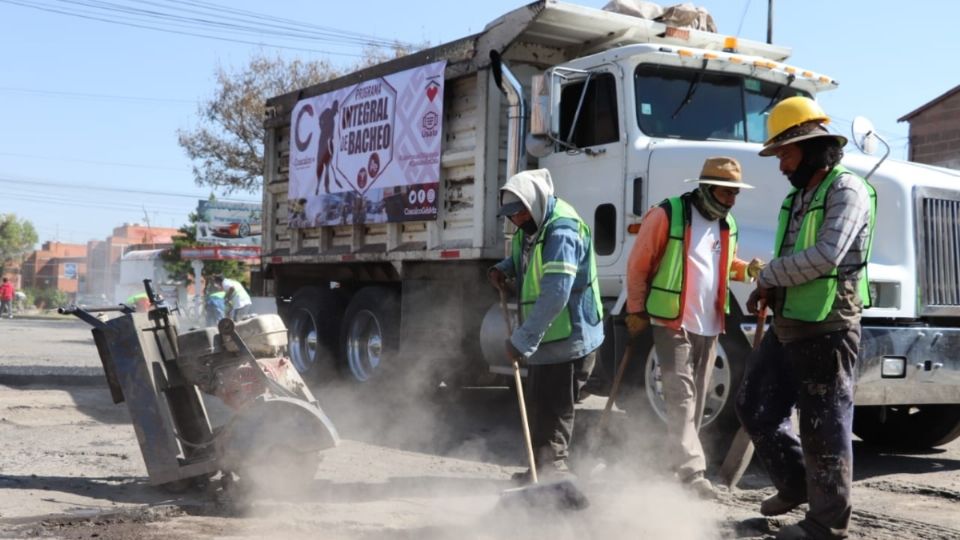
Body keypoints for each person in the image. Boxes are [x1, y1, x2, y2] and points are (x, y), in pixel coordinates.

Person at [734, 96, 876, 540]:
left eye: (786, 154)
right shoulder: (798, 197)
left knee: (824, 426)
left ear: (813, 148)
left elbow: (828, 255)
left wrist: (771, 272)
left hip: (829, 325)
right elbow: (793, 256)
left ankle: (826, 523)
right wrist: (767, 287)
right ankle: (795, 485)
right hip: (791, 320)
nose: (780, 166)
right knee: (754, 405)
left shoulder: (846, 190)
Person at [625, 156, 762, 498]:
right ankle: (692, 473)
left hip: (710, 323)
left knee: (697, 400)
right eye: (727, 191)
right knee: (681, 396)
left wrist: (748, 271)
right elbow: (638, 264)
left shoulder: (727, 224)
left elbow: (725, 266)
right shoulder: (668, 214)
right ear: (707, 188)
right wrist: (637, 309)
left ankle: (675, 464)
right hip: (673, 320)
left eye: (735, 193)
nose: (732, 199)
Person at [487, 168, 604, 482]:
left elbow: (555, 292)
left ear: (535, 202)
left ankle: (553, 479)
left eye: (520, 213)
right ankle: (540, 473)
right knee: (540, 406)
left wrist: (522, 340)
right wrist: (505, 267)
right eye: (511, 215)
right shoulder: (534, 224)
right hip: (547, 336)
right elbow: (526, 255)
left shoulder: (562, 229)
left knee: (553, 409)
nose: (516, 220)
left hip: (568, 335)